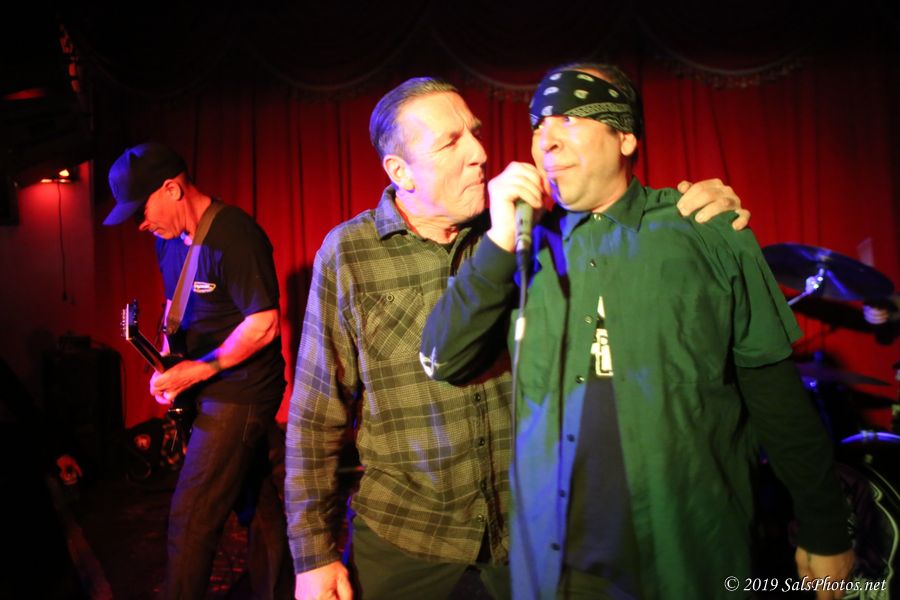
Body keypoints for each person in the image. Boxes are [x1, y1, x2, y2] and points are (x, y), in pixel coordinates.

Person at [285, 76, 748, 600]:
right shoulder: (349, 253)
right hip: (407, 541)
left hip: (529, 537)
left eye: (475, 133)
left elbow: (626, 218)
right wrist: (313, 554)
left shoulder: (527, 228)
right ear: (400, 171)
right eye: (450, 143)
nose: (480, 153)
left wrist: (695, 205)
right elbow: (317, 413)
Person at [420, 63, 855, 600]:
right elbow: (443, 360)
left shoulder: (705, 231)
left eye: (569, 119)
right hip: (558, 567)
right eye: (537, 125)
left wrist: (824, 527)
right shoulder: (519, 247)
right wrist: (500, 241)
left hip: (688, 556)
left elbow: (775, 394)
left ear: (624, 136)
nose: (545, 140)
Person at [103, 142, 293, 599]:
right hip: (208, 385)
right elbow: (176, 307)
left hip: (243, 390)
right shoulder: (166, 242)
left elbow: (264, 324)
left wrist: (197, 372)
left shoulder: (235, 234)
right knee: (257, 500)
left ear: (172, 189)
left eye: (141, 211)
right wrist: (168, 365)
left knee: (191, 516)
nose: (140, 224)